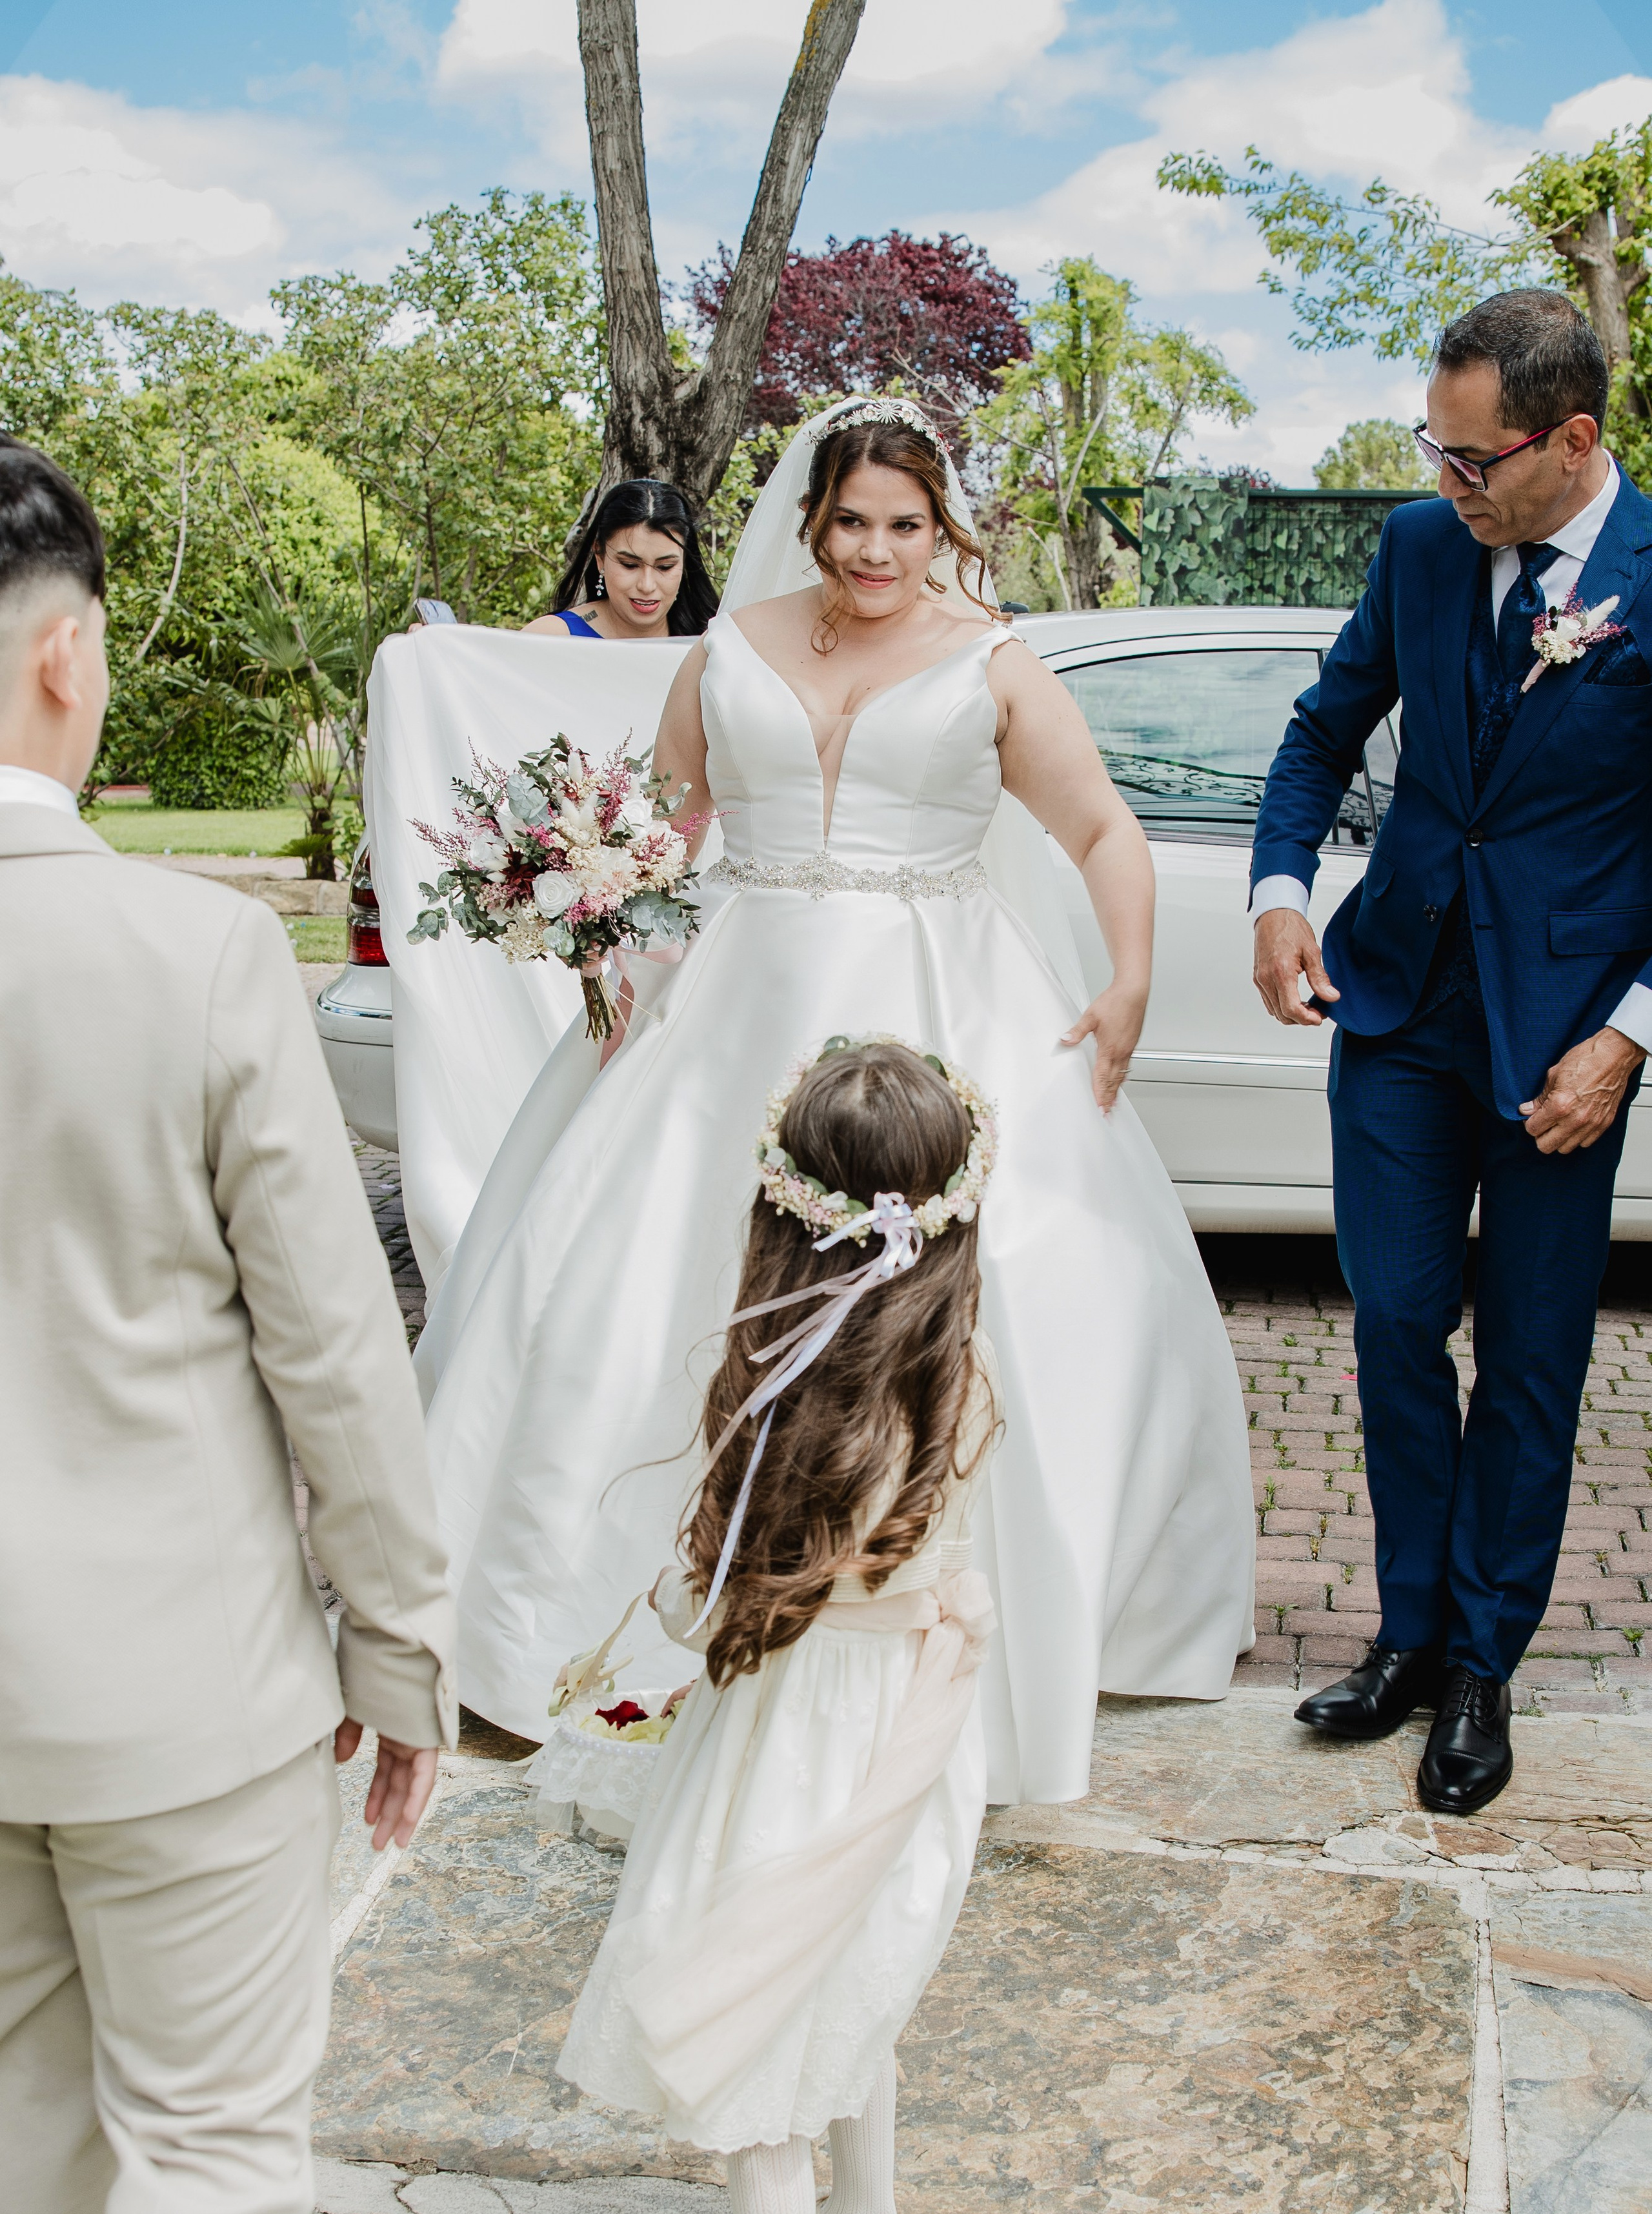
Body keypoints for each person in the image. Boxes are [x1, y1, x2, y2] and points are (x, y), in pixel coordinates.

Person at [416, 396, 1254, 1807]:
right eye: (851, 522)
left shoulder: (992, 661)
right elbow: (663, 825)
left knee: (992, 1295)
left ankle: (952, 1632)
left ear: (946, 530)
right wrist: (597, 907)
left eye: (906, 527)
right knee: (619, 1282)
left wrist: (1127, 983)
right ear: (809, 519)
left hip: (938, 1001)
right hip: (725, 998)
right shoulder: (728, 646)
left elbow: (1100, 827)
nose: (876, 552)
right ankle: (553, 1627)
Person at [0, 435, 456, 2214]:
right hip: (181, 1694)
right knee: (208, 2147)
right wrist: (402, 1653)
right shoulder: (196, 961)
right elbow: (337, 1362)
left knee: (23, 2146)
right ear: (67, 659)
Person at [559, 1040, 1001, 2214]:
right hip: (910, 1754)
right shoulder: (955, 1377)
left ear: (779, 1219)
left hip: (794, 1761)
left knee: (752, 2047)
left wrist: (639, 1675)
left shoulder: (792, 1406)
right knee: (845, 1990)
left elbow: (723, 1605)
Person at [1249, 289, 1652, 1816]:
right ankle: (1405, 1635)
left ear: (1568, 443)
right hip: (1396, 1010)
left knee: (1531, 1356)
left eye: (1470, 457)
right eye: (1432, 442)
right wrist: (1280, 893)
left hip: (1563, 1044)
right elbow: (1319, 732)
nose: (1442, 479)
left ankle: (1483, 1661)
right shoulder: (1420, 549)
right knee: (1391, 1326)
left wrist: (1622, 1039)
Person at [528, 476, 718, 640]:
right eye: (630, 565)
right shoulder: (551, 637)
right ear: (600, 556)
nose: (647, 585)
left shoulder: (712, 642)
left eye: (665, 567)